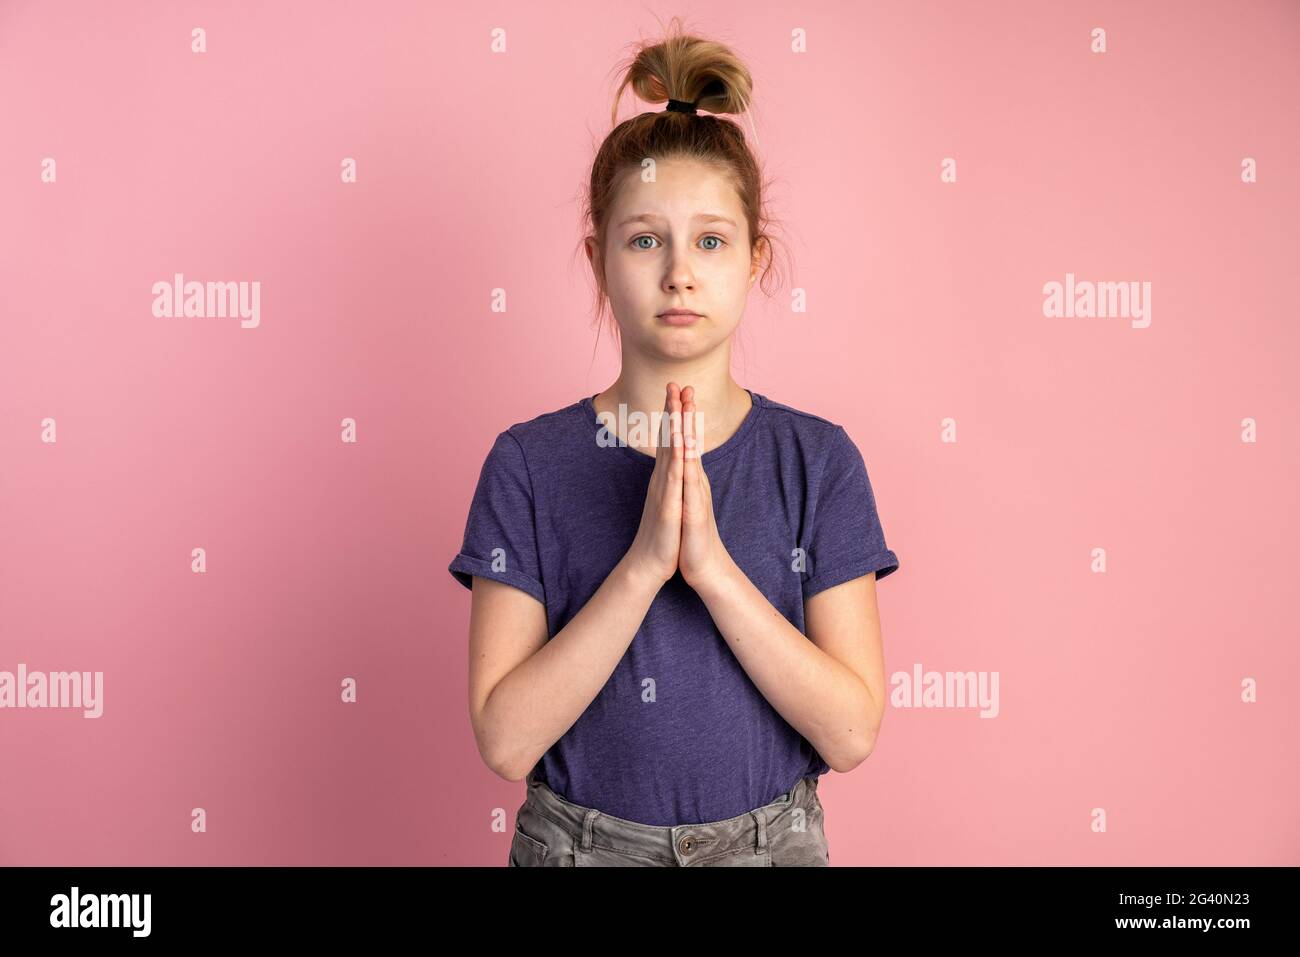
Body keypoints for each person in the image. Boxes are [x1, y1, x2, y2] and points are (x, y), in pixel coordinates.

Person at [447, 19, 899, 866]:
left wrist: (713, 569)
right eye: (645, 238)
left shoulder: (818, 461)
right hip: (582, 847)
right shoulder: (528, 464)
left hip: (772, 845)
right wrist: (646, 561)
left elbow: (850, 730)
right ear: (598, 258)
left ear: (755, 258)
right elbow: (506, 742)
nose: (679, 271)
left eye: (712, 241)